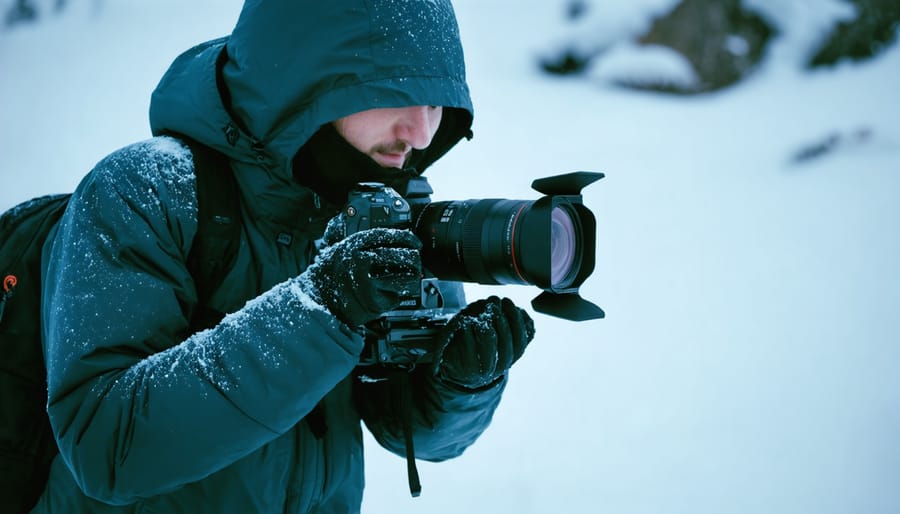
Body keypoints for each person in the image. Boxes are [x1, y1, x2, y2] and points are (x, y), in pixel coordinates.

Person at [31, 0, 535, 513]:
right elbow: (106, 448)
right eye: (402, 94)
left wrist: (457, 383)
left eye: (436, 104)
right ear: (306, 78)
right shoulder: (146, 191)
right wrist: (322, 311)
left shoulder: (387, 204)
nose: (423, 132)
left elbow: (416, 432)